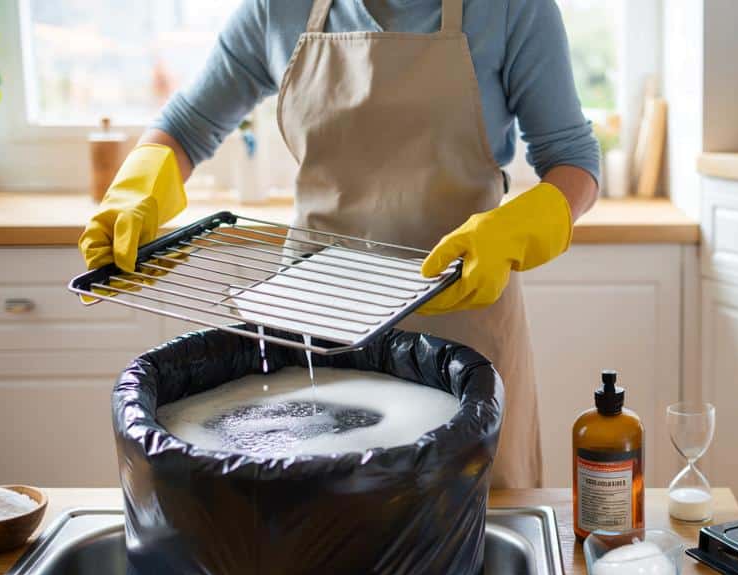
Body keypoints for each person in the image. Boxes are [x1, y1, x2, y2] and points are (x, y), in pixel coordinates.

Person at [77, 0, 600, 489]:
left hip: (462, 319)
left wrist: (516, 227)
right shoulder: (279, 8)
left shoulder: (511, 8)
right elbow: (186, 127)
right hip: (317, 326)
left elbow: (573, 160)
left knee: (472, 516)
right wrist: (138, 190)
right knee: (319, 522)